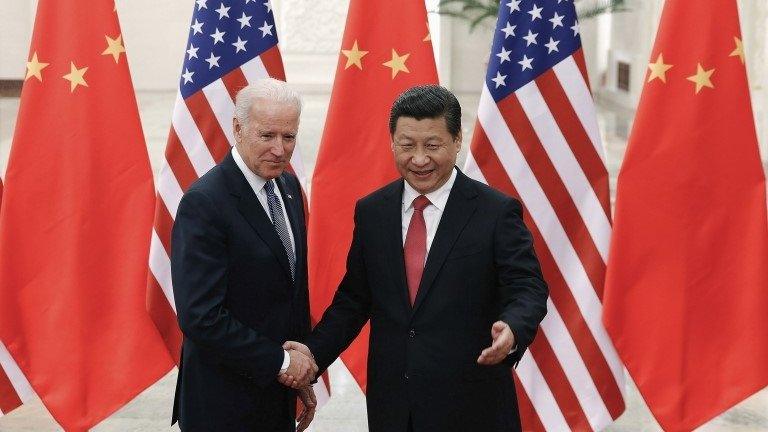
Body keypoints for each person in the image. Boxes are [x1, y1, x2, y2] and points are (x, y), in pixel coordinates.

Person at [283, 85, 548, 432]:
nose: (420, 159)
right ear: (392, 142)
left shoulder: (495, 211)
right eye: (407, 145)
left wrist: (513, 328)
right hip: (394, 409)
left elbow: (527, 287)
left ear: (457, 140)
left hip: (472, 407)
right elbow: (354, 300)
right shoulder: (372, 211)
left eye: (433, 145)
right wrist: (311, 355)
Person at [171, 78, 318, 432]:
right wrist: (282, 362)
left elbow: (291, 290)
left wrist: (300, 378)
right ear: (238, 129)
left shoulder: (288, 187)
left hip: (275, 395)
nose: (280, 150)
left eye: (289, 136)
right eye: (267, 136)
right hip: (222, 404)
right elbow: (200, 317)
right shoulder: (205, 203)